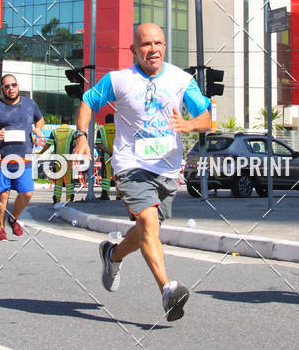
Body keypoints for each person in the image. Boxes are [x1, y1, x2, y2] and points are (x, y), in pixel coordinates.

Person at [73, 23, 211, 322]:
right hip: (131, 165)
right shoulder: (119, 80)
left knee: (148, 231)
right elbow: (87, 101)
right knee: (148, 224)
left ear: (165, 46)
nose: (153, 49)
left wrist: (189, 125)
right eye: (146, 45)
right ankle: (168, 291)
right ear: (133, 50)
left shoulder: (181, 80)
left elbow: (205, 118)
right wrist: (81, 135)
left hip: (167, 168)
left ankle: (113, 255)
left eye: (158, 43)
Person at [0, 74, 45, 241]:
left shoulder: (30, 104)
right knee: (2, 194)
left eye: (13, 85)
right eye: (6, 86)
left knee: (27, 193)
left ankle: (13, 218)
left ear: (18, 86)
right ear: (2, 89)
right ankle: (0, 228)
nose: (10, 88)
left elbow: (40, 120)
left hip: (23, 158)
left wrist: (37, 129)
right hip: (0, 158)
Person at [50, 115, 76, 204]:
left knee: (58, 181)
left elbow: (48, 144)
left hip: (58, 160)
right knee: (69, 181)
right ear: (69, 123)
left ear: (61, 122)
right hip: (68, 160)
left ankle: (57, 200)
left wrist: (40, 152)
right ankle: (69, 199)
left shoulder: (54, 132)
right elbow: (76, 146)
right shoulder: (72, 132)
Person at [98, 113, 117, 201]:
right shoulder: (118, 129)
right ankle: (119, 195)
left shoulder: (101, 130)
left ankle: (105, 194)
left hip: (106, 156)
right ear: (113, 120)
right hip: (117, 156)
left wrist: (107, 151)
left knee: (106, 176)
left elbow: (99, 143)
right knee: (118, 175)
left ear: (105, 121)